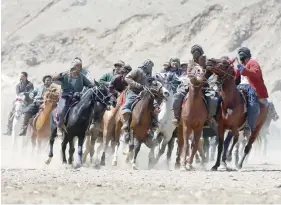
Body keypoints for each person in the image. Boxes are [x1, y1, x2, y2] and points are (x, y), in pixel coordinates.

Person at [120, 59, 159, 141]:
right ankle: (126, 123)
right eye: (149, 65)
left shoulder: (150, 76)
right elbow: (127, 78)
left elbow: (151, 85)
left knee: (154, 106)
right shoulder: (137, 70)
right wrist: (138, 85)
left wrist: (153, 85)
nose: (150, 67)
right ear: (145, 64)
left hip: (145, 93)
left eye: (151, 66)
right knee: (128, 104)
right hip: (133, 91)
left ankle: (153, 124)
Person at [52, 60, 94, 131]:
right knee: (61, 111)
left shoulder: (81, 76)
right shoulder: (65, 75)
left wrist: (96, 85)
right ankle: (60, 126)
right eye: (78, 66)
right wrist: (61, 74)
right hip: (65, 96)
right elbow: (53, 78)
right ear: (73, 66)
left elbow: (90, 84)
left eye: (80, 66)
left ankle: (86, 127)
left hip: (77, 97)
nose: (80, 68)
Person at [236, 47, 269, 135]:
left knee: (252, 104)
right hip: (240, 87)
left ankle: (250, 127)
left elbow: (255, 72)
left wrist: (244, 70)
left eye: (241, 55)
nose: (240, 57)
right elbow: (236, 76)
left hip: (252, 89)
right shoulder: (242, 65)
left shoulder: (252, 62)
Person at [172, 45, 207, 125]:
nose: (196, 54)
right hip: (190, 84)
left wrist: (203, 65)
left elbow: (207, 72)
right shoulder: (191, 63)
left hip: (204, 85)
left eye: (197, 52)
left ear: (201, 53)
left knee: (213, 98)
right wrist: (194, 79)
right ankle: (176, 116)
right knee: (177, 96)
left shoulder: (206, 63)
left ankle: (211, 118)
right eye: (194, 52)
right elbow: (189, 73)